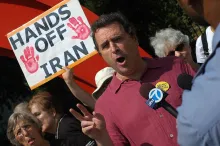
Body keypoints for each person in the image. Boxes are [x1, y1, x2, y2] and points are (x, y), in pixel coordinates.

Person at [73, 12, 196, 146]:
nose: (114, 49)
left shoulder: (175, 65)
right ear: (101, 55)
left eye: (117, 39)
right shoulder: (105, 106)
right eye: (105, 46)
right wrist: (101, 139)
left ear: (134, 38)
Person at [176, 0, 220, 145]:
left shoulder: (194, 123)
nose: (177, 53)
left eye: (180, 46)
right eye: (171, 53)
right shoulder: (203, 43)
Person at [28, 91, 97, 146]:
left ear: (52, 112)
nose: (35, 120)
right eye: (33, 117)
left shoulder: (67, 128)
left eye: (37, 114)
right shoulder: (62, 130)